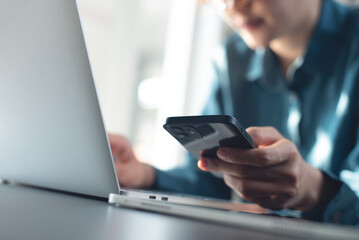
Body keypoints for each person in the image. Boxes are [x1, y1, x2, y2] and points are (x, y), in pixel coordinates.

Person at [109, 0, 359, 225]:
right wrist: (145, 175)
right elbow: (211, 178)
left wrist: (314, 190)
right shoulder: (232, 57)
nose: (231, 6)